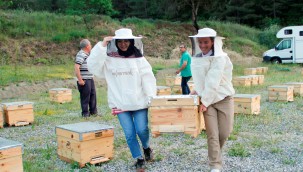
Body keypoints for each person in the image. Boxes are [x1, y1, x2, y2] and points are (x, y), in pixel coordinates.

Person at [87, 28, 156, 171]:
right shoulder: (109, 59)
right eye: (120, 41)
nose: (123, 44)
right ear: (116, 42)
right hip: (120, 103)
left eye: (126, 41)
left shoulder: (139, 58)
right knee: (130, 133)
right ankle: (139, 158)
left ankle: (146, 147)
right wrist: (101, 45)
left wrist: (151, 97)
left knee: (142, 129)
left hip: (139, 102)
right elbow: (92, 66)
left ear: (131, 42)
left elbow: (148, 78)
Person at [189, 28, 235, 172]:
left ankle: (216, 155)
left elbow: (213, 81)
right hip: (206, 100)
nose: (203, 45)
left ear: (213, 42)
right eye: (200, 42)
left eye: (206, 42)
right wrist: (197, 89)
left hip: (223, 98)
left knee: (225, 133)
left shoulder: (220, 58)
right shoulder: (196, 58)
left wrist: (205, 101)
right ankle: (215, 164)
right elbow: (200, 78)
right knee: (212, 134)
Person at [74, 39, 97, 117]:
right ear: (87, 46)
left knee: (93, 95)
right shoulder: (81, 54)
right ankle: (85, 114)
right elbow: (77, 67)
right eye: (90, 44)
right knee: (85, 97)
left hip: (90, 78)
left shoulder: (88, 54)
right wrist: (80, 80)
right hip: (84, 79)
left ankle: (93, 112)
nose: (91, 46)